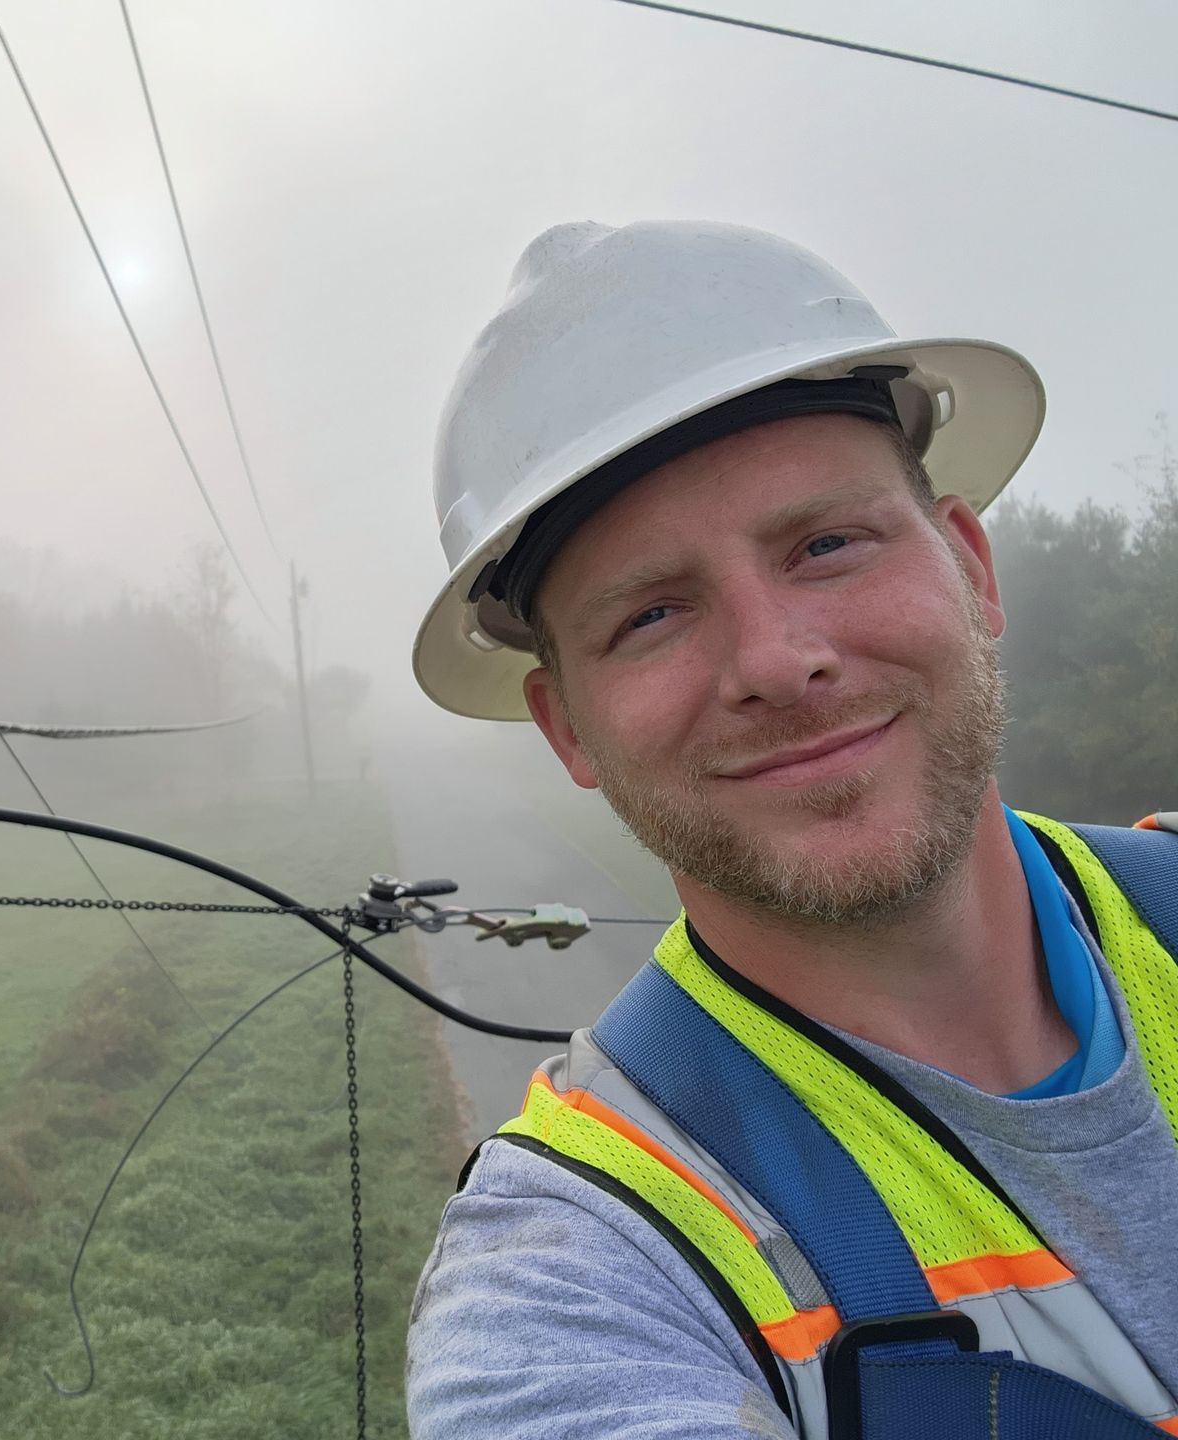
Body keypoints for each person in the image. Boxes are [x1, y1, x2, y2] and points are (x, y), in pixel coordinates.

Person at [402, 220, 1178, 1439]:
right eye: (652, 615)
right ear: (567, 730)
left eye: (826, 543)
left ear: (971, 568)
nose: (775, 660)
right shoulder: (581, 1269)